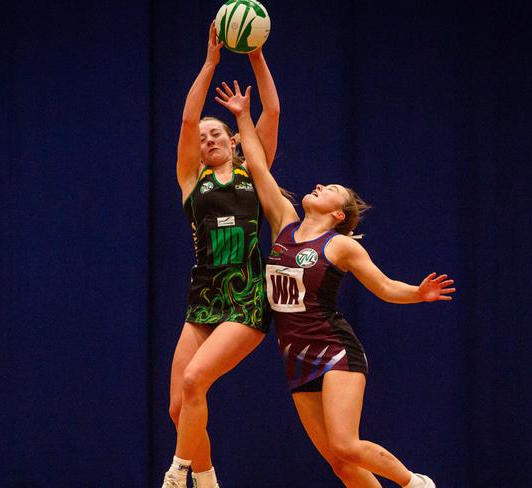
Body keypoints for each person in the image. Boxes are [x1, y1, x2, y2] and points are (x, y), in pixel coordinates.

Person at [214, 80, 456, 488]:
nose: (320, 186)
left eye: (331, 190)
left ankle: (416, 483)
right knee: (339, 463)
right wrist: (242, 116)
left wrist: (417, 293)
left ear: (339, 213)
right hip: (295, 358)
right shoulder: (284, 224)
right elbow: (256, 165)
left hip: (335, 352)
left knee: (345, 445)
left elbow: (383, 286)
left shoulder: (339, 244)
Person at [160, 22, 280, 488]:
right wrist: (210, 62)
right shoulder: (191, 180)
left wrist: (254, 53)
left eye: (218, 133)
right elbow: (188, 121)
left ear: (233, 141)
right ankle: (207, 480)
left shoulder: (255, 170)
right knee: (178, 407)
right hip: (204, 299)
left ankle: (177, 472)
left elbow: (272, 108)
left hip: (248, 297)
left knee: (195, 383)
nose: (208, 138)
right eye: (204, 136)